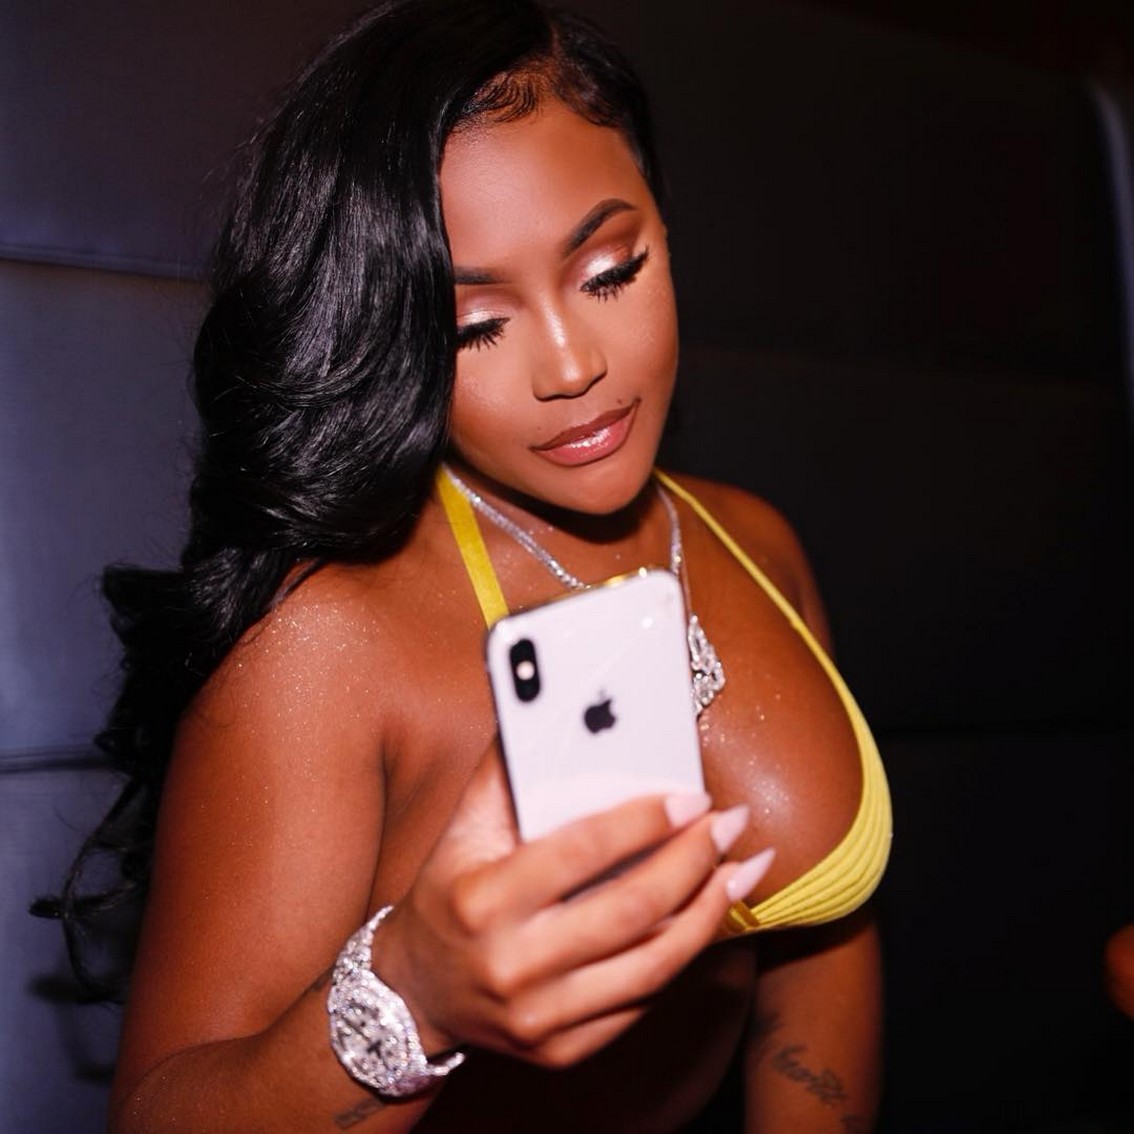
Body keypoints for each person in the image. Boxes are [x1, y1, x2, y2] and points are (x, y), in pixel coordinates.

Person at [47, 1, 891, 1129]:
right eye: (474, 328)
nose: (572, 366)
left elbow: (821, 952)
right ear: (389, 336)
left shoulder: (753, 540)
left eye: (610, 269)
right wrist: (414, 997)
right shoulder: (324, 640)